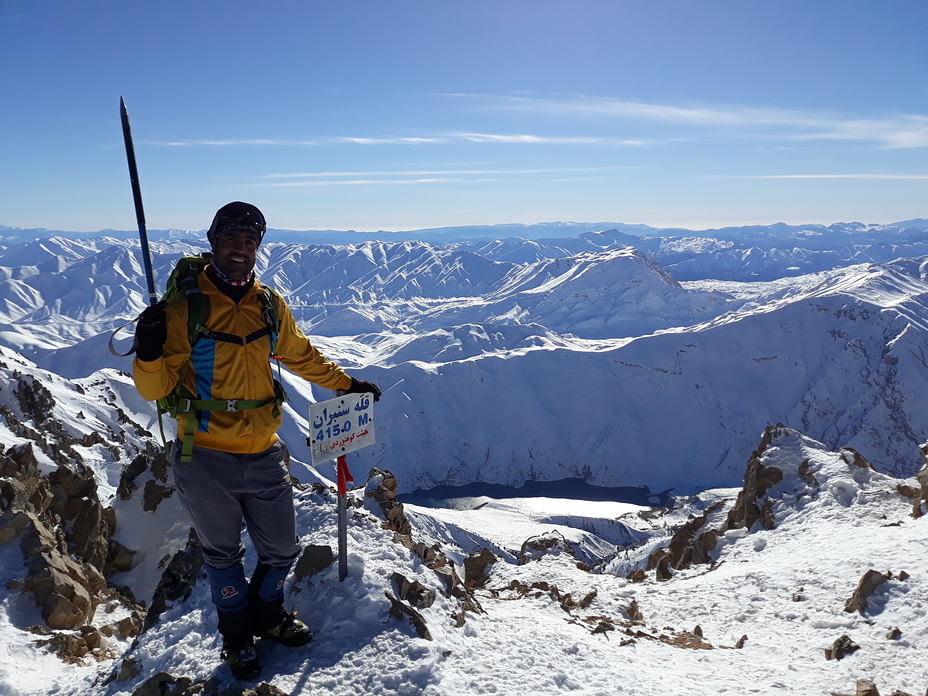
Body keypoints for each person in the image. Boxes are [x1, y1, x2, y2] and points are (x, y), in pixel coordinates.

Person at [132, 201, 381, 680]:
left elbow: (299, 353)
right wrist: (148, 349)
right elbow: (157, 389)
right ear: (213, 241)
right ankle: (238, 638)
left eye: (250, 242)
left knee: (283, 550)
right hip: (203, 454)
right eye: (232, 239)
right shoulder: (185, 309)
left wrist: (346, 384)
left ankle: (267, 617)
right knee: (224, 555)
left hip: (264, 450)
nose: (240, 249)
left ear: (258, 248)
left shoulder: (267, 303)